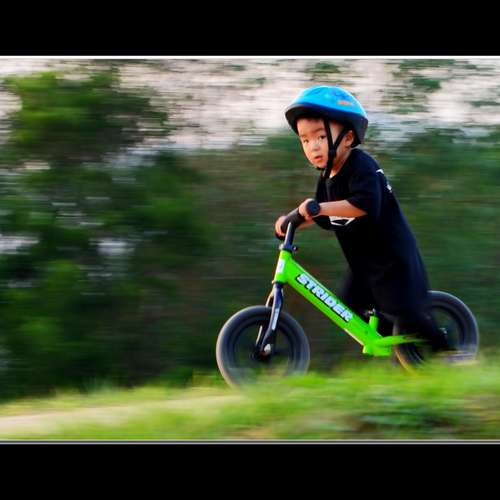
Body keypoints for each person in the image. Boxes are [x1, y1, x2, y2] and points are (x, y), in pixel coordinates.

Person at [275, 85, 452, 352]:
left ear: (348, 137)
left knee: (405, 312)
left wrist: (318, 208)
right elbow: (322, 215)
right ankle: (400, 348)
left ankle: (447, 352)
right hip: (363, 264)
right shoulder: (326, 179)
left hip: (391, 259)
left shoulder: (362, 166)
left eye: (321, 136)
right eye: (305, 140)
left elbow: (363, 205)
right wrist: (292, 221)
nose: (313, 146)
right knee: (348, 304)